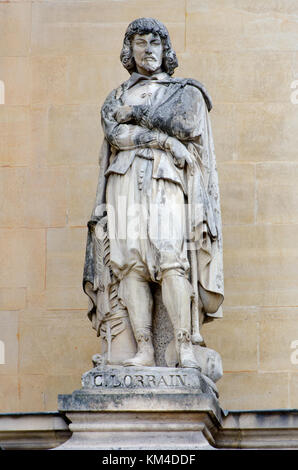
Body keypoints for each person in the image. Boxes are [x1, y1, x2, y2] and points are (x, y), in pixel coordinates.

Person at [83, 18, 224, 369]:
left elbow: (187, 124)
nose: (148, 50)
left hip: (165, 181)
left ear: (165, 50)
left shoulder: (185, 91)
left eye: (154, 43)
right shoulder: (116, 96)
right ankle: (144, 348)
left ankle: (184, 345)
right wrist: (162, 139)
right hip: (124, 179)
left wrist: (137, 114)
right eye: (140, 43)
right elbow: (117, 135)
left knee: (171, 259)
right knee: (130, 263)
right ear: (129, 51)